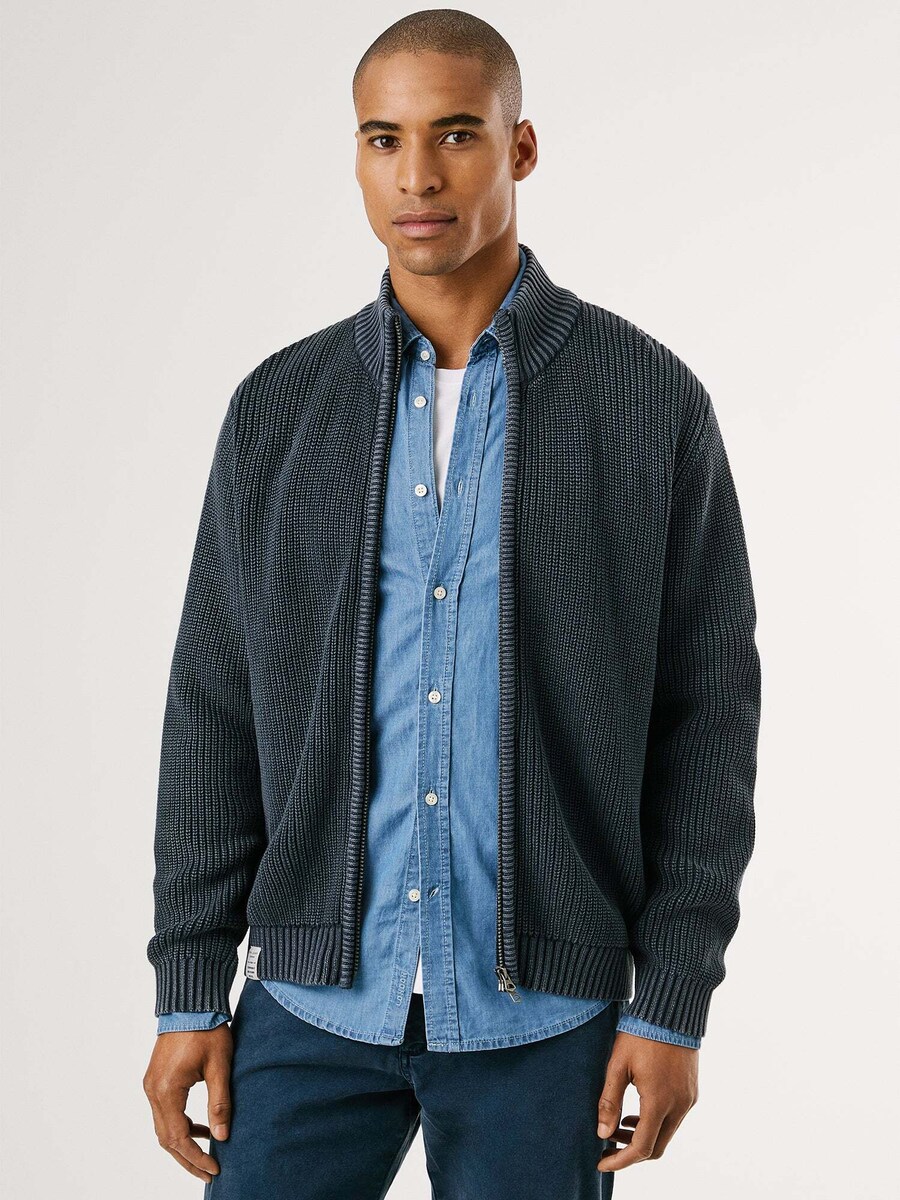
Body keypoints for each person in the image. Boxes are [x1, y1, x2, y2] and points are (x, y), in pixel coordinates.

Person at [142, 9, 761, 1198]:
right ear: (357, 155)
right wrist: (189, 987)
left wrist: (674, 1001)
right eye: (385, 139)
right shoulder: (282, 407)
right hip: (312, 1007)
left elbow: (708, 719)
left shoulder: (646, 401)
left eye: (457, 134)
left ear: (521, 148)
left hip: (549, 1022)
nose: (417, 176)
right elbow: (212, 708)